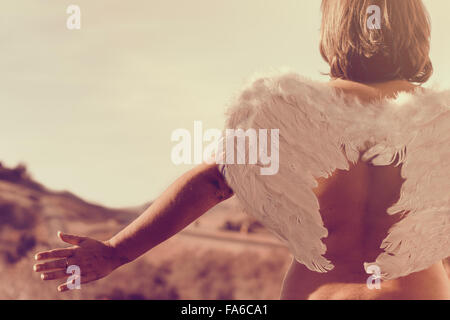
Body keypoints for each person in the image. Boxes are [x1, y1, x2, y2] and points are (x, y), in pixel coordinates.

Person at [33, 0, 450, 299]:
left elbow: (214, 182)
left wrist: (115, 252)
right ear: (417, 31)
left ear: (335, 28)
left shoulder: (294, 113)